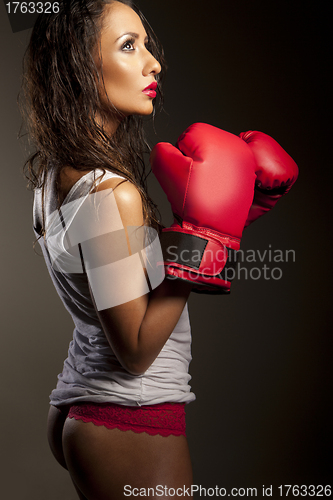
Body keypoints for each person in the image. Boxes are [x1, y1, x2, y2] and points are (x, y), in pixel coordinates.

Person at [22, 1, 195, 498]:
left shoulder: (56, 178)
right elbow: (136, 349)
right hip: (130, 413)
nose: (152, 62)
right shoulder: (108, 192)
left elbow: (110, 291)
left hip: (92, 402)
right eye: (127, 46)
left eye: (144, 44)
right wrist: (203, 241)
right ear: (78, 69)